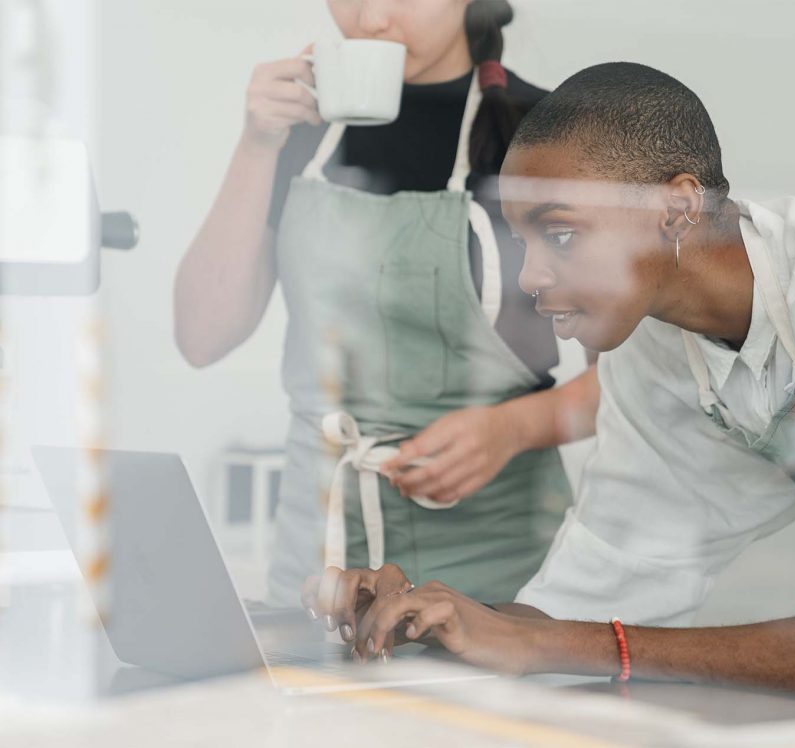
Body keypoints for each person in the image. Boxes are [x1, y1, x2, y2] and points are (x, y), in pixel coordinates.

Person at [302, 61, 795, 738]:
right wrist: (434, 623)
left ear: (677, 207)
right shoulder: (659, 353)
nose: (529, 277)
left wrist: (543, 644)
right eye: (523, 242)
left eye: (560, 234)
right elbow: (591, 595)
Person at [174, 0, 599, 608]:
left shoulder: (548, 135)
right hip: (317, 568)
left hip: (500, 581)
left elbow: (633, 383)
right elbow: (201, 335)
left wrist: (513, 428)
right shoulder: (299, 128)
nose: (370, 19)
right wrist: (258, 143)